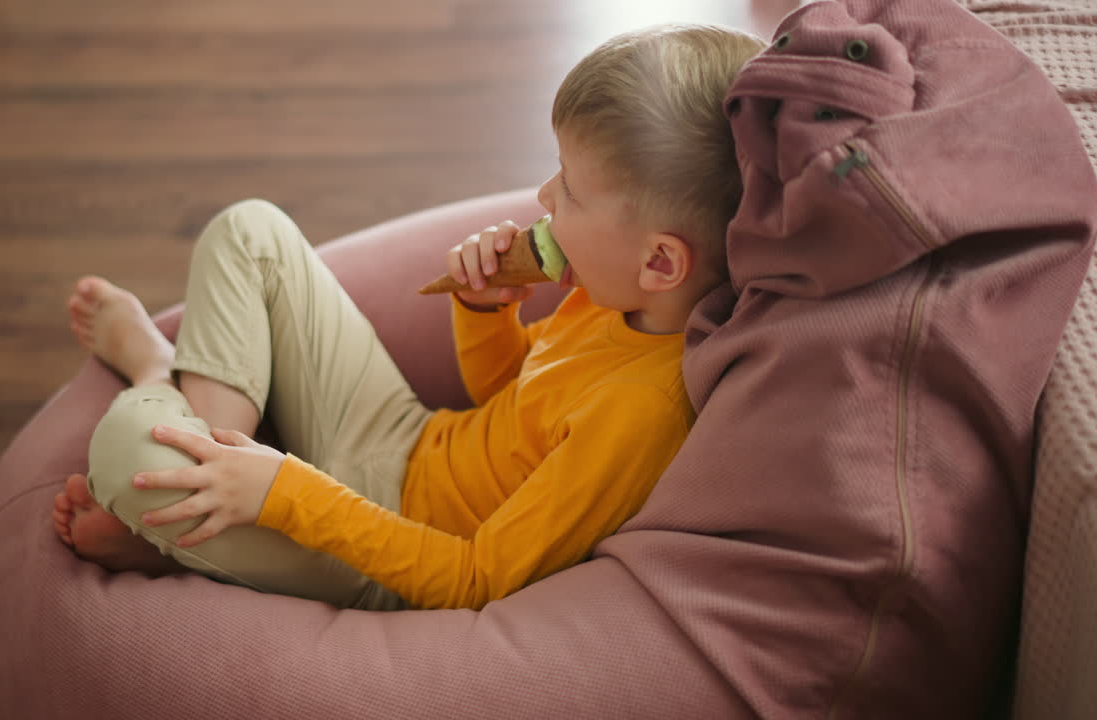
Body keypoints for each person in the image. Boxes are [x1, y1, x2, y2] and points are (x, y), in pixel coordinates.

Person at [50, 23, 766, 611]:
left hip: (386, 549)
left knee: (127, 455)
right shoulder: (613, 299)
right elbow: (508, 399)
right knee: (250, 231)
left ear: (662, 262)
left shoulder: (640, 412)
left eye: (570, 190)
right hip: (405, 438)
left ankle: (153, 371)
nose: (545, 196)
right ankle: (211, 476)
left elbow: (475, 579)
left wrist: (288, 494)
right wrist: (484, 310)